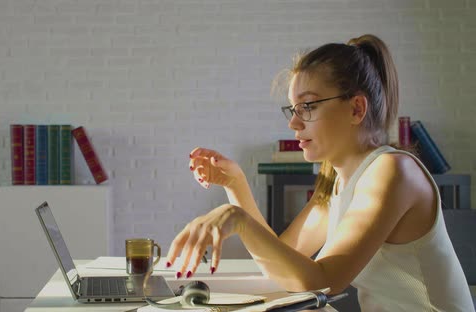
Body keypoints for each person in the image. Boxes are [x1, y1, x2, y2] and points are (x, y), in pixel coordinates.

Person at [164, 34, 474, 311]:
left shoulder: (392, 171)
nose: (294, 124)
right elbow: (283, 261)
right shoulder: (338, 181)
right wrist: (236, 184)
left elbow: (324, 279)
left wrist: (238, 218)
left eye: (308, 107)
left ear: (356, 109)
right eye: (293, 109)